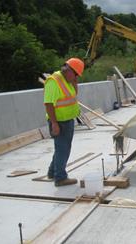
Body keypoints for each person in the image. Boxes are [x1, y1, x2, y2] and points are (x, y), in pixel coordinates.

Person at [44, 58, 84, 186]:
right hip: (59, 122)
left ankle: (52, 172)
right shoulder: (54, 82)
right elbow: (48, 103)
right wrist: (54, 124)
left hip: (67, 120)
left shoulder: (67, 80)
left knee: (60, 148)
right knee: (63, 149)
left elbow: (73, 95)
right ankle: (60, 178)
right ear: (69, 70)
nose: (76, 77)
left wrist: (74, 81)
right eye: (76, 74)